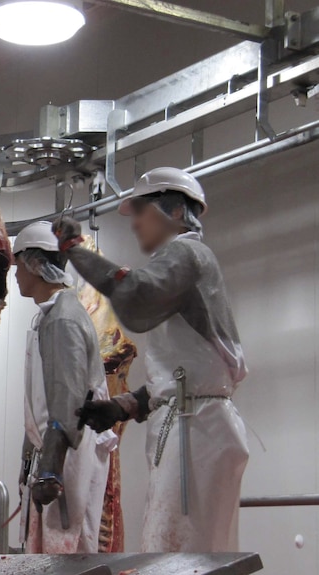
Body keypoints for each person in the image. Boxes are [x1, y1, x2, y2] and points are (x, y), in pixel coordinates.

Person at [53, 167, 249, 553]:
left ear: (175, 212)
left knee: (178, 558)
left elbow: (137, 295)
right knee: (186, 554)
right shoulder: (188, 263)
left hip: (196, 433)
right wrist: (125, 405)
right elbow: (188, 373)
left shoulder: (187, 253)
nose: (135, 223)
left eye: (141, 210)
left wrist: (76, 249)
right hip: (195, 425)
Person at [12, 222, 113, 554]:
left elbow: (68, 400)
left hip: (67, 451)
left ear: (36, 265)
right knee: (53, 550)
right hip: (57, 449)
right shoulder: (50, 316)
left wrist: (50, 468)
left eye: (19, 264)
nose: (15, 274)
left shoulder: (64, 319)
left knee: (65, 550)